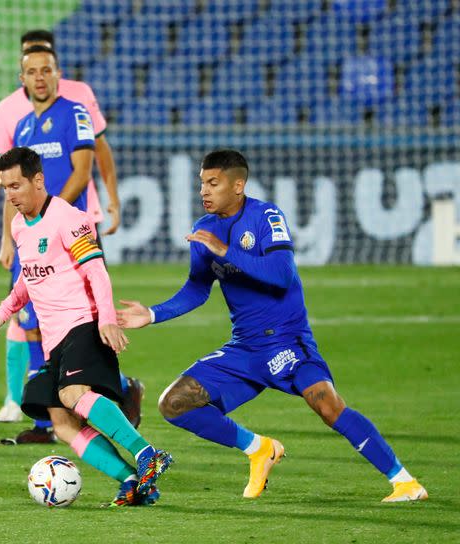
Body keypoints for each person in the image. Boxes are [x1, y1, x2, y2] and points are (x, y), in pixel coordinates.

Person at [116, 149, 428, 503]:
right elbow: (197, 289)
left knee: (327, 406)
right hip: (245, 349)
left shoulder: (266, 216)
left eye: (213, 183)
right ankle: (259, 449)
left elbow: (281, 275)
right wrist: (153, 314)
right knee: (174, 403)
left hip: (287, 341)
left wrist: (226, 251)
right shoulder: (204, 229)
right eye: (202, 183)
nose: (204, 191)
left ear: (238, 185)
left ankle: (404, 482)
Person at [0, 34, 143, 439]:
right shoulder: (23, 124)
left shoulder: (76, 113)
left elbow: (83, 173)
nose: (40, 78)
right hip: (34, 232)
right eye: (31, 72)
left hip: (71, 229)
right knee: (33, 322)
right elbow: (15, 188)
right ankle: (45, 422)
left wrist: (45, 219)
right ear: (22, 79)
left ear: (57, 74)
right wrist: (9, 235)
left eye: (46, 70)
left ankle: (118, 391)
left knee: (80, 322)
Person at [0, 147, 172, 506]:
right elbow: (28, 277)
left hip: (82, 323)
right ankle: (131, 480)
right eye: (5, 188)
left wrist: (107, 318)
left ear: (38, 180)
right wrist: (1, 313)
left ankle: (148, 455)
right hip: (55, 339)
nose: (10, 195)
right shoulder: (19, 225)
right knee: (62, 422)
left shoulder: (70, 218)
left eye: (16, 186)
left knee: (72, 394)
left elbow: (95, 270)